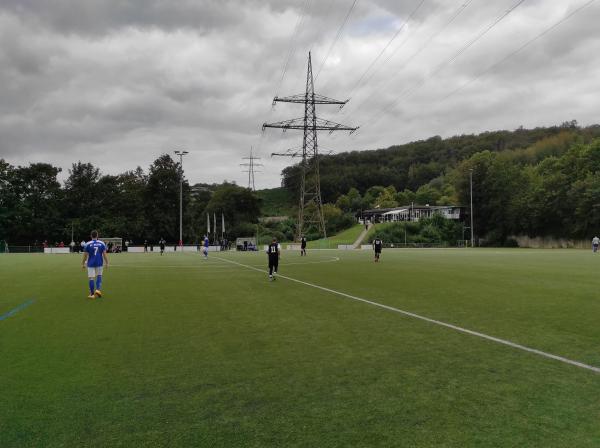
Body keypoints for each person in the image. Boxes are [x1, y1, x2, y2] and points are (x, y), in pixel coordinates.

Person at [81, 230, 108, 299]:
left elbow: (85, 255)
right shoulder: (102, 243)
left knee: (91, 278)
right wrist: (107, 263)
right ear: (97, 235)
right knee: (99, 276)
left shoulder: (87, 244)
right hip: (99, 262)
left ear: (91, 236)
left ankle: (92, 294)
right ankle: (98, 290)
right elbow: (104, 254)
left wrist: (83, 263)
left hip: (90, 263)